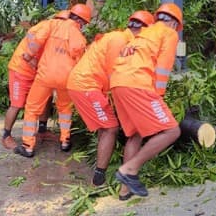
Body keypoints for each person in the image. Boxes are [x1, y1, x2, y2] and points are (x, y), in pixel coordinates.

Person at [66, 10, 153, 185]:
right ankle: (99, 178)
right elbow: (116, 74)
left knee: (105, 127)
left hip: (90, 86)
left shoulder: (122, 39)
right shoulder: (119, 40)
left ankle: (100, 172)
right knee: (111, 128)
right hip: (86, 86)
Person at [109, 2, 185, 199]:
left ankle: (124, 190)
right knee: (171, 131)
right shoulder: (169, 34)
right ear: (174, 24)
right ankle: (129, 170)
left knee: (134, 135)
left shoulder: (144, 33)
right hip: (137, 84)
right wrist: (158, 97)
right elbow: (163, 68)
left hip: (118, 84)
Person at [16, 3, 91, 158]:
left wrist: (29, 55)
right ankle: (65, 140)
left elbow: (37, 39)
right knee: (65, 108)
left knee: (32, 108)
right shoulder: (79, 36)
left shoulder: (53, 25)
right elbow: (80, 60)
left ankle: (28, 145)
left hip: (45, 75)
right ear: (81, 22)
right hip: (66, 78)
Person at [1, 9, 68, 150]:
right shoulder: (45, 27)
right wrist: (36, 63)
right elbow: (29, 49)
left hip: (39, 73)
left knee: (46, 99)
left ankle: (42, 131)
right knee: (17, 104)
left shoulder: (61, 34)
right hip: (21, 70)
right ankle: (6, 135)